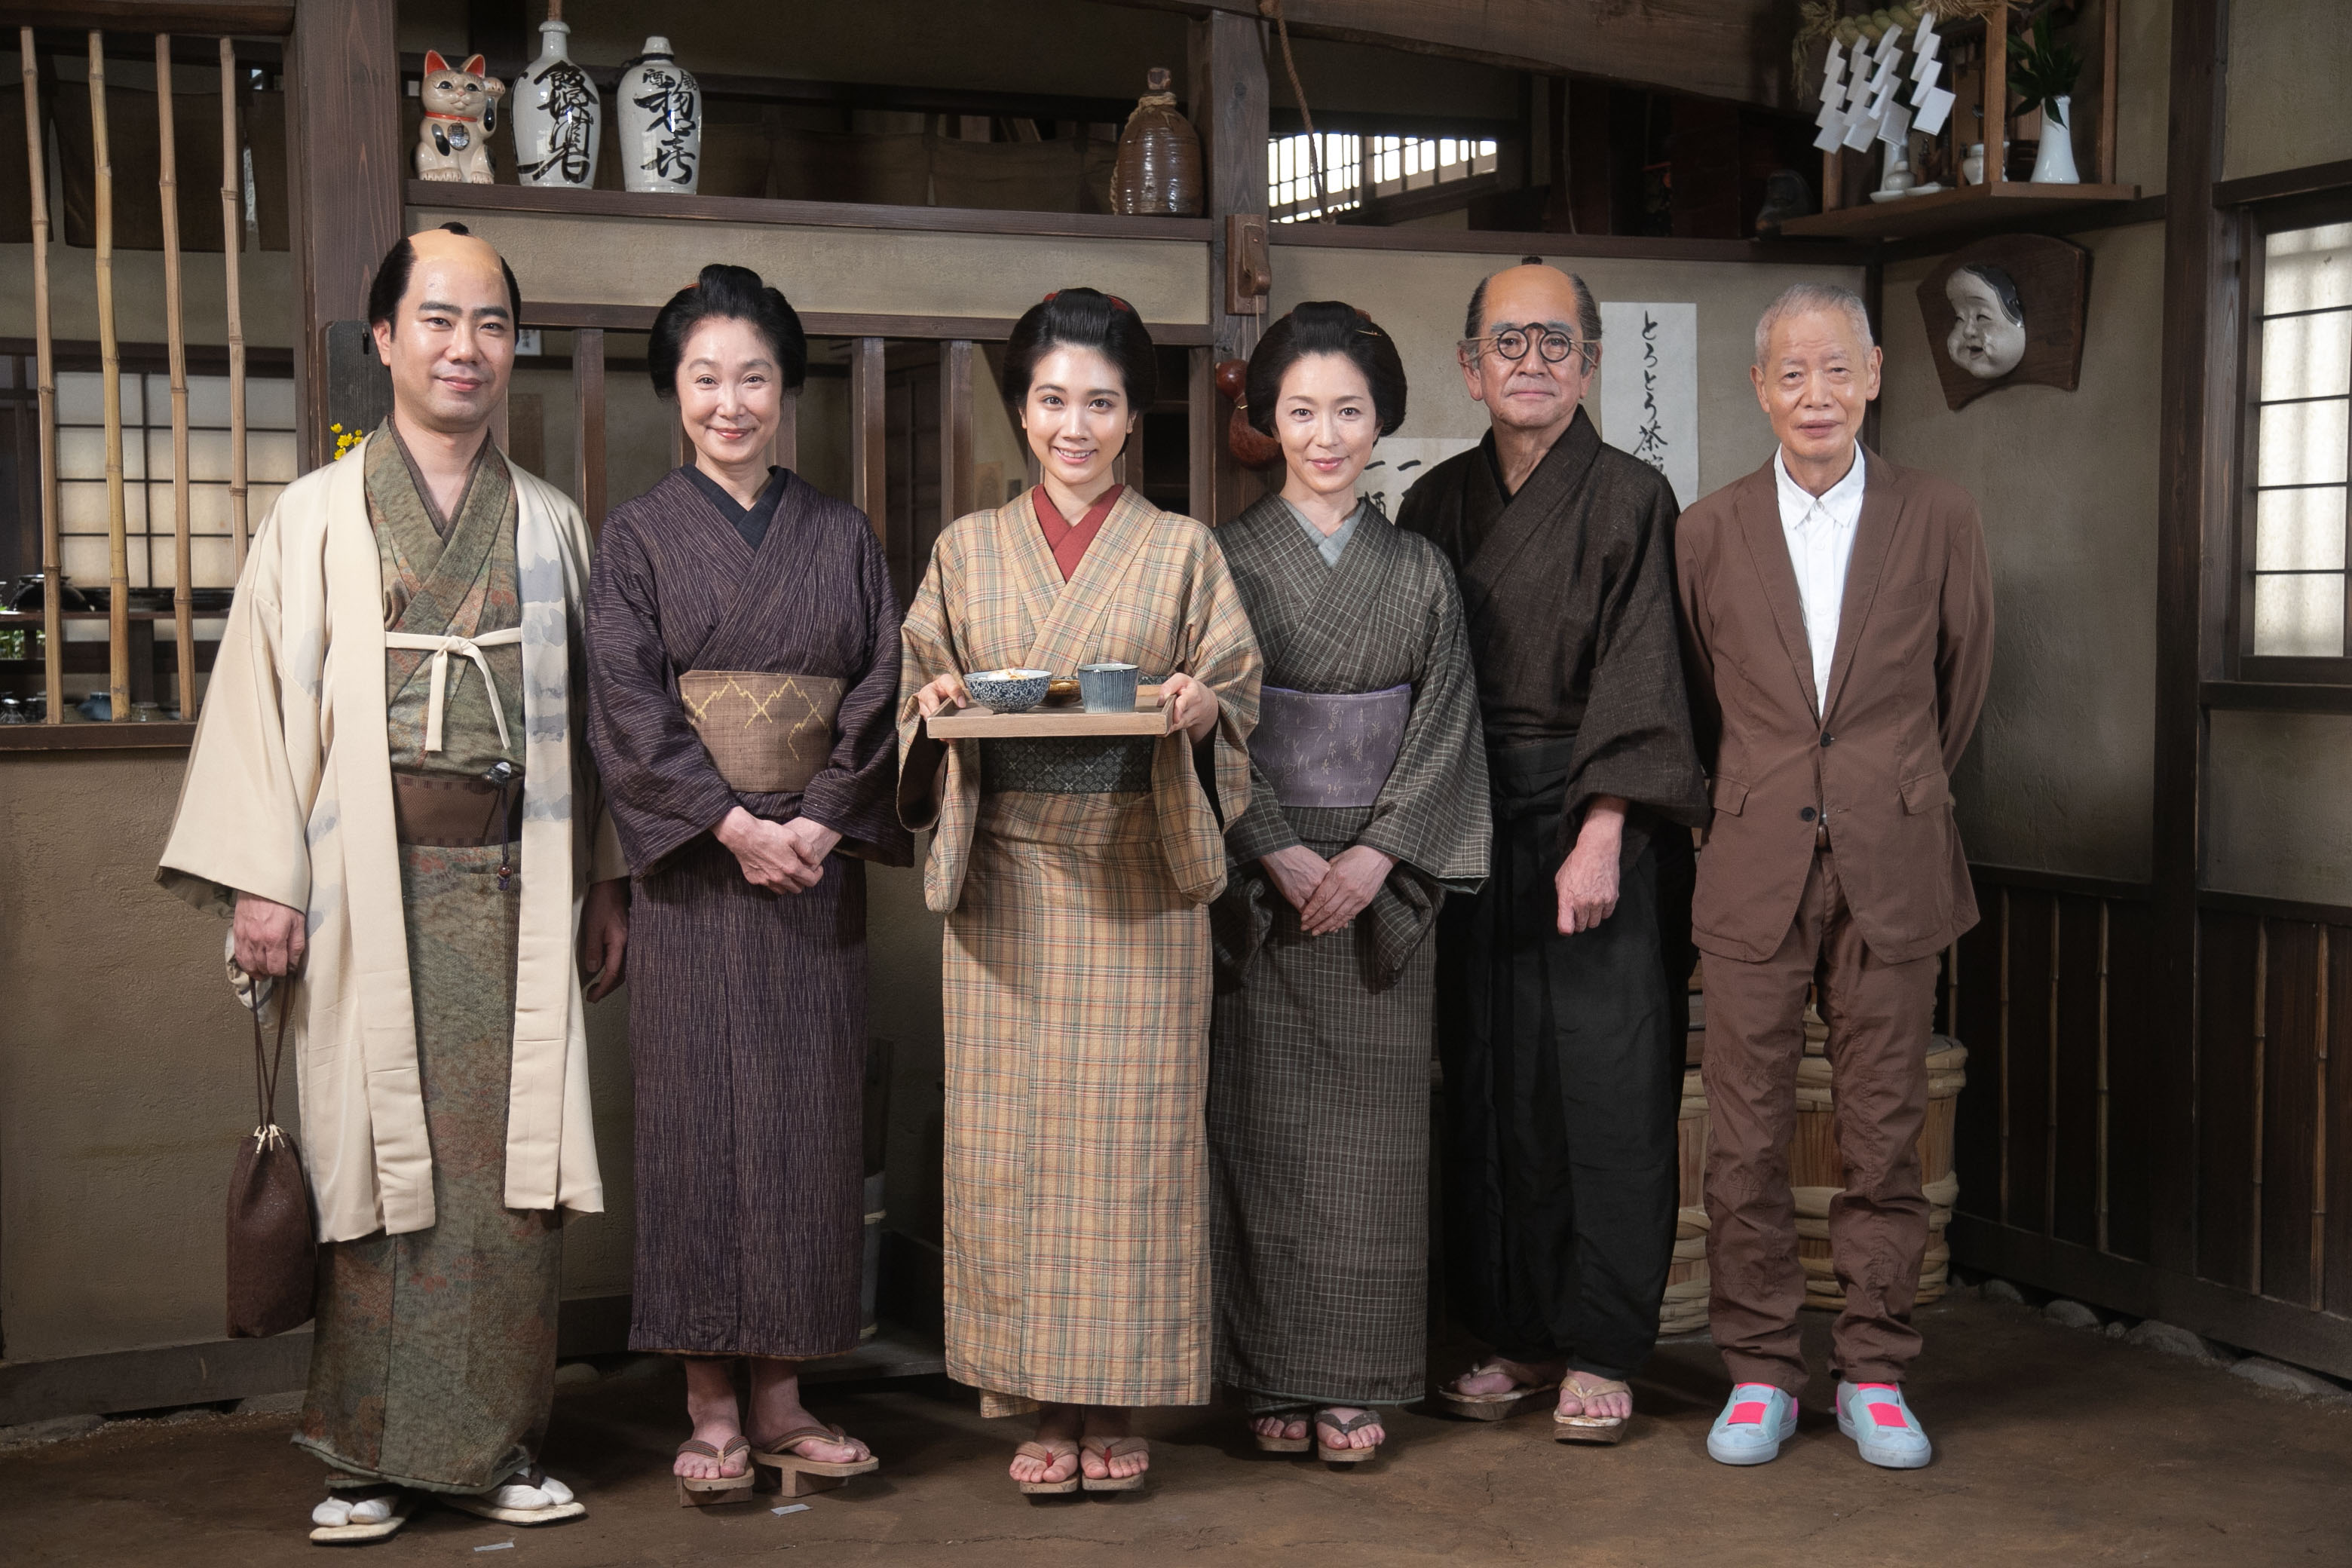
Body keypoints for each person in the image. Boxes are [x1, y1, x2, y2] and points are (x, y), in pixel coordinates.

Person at [157, 222, 629, 1543]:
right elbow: (257, 714)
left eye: (492, 323)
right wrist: (266, 884)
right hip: (360, 891)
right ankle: (364, 1455)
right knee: (369, 1164)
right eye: (438, 318)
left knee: (507, 1179)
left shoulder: (550, 522)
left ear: (513, 346)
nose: (466, 347)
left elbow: (600, 727)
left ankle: (502, 1444)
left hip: (517, 886)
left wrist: (605, 881)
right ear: (384, 337)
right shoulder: (313, 516)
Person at [898, 287, 1261, 1494]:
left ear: (1132, 416)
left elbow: (1234, 690)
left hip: (1138, 873)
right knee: (1012, 1151)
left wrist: (1201, 709)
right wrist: (931, 708)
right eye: (1052, 399)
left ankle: (1118, 1402)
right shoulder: (966, 550)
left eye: (1100, 403)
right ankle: (1036, 1401)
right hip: (1006, 878)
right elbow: (921, 688)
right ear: (1022, 409)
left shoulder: (1183, 549)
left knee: (1134, 1153)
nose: (1074, 425)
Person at [583, 264, 909, 1502]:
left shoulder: (842, 536)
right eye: (707, 378)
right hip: (695, 879)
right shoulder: (638, 538)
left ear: (788, 390)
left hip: (812, 877)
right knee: (694, 1127)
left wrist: (817, 820)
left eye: (755, 378)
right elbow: (626, 704)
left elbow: (879, 687)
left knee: (807, 1128)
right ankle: (709, 1404)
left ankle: (783, 1395)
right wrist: (728, 823)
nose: (732, 403)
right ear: (675, 391)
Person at [1676, 282, 1992, 1470]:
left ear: (1874, 377)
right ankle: (1759, 1372)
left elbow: (1963, 683)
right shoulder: (1707, 531)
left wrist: (1889, 786)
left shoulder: (1939, 513)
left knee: (1884, 1129)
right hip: (1752, 858)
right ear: (1761, 389)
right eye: (1793, 374)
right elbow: (1699, 699)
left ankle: (1875, 1372)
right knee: (1746, 1136)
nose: (1817, 394)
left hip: (1894, 856)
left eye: (1838, 370)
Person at [1396, 262, 1707, 1444]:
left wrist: (1605, 831)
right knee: (1495, 1082)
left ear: (1590, 363)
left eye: (1555, 341)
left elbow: (1647, 674)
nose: (1532, 361)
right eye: (1508, 342)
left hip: (1593, 824)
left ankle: (1606, 1346)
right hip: (1472, 822)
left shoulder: (1632, 497)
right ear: (1470, 366)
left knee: (1609, 1086)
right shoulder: (1434, 505)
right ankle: (1518, 1333)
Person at [1206, 302, 1487, 1464]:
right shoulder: (1223, 560)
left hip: (1379, 891)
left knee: (1374, 1149)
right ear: (1268, 421)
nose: (1326, 436)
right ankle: (1270, 1376)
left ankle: (1357, 1377)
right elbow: (1209, 722)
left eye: (1350, 412)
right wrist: (1273, 844)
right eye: (1303, 411)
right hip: (1263, 888)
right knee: (1260, 1135)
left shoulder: (1419, 570)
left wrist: (1377, 855)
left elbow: (1447, 724)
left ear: (1382, 423)